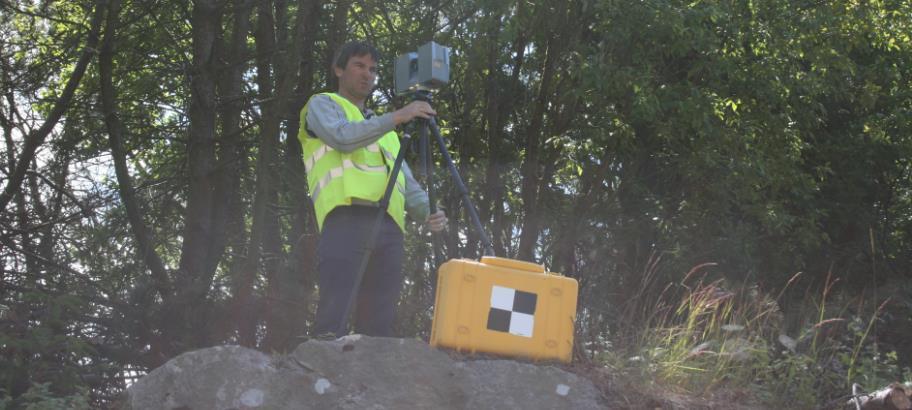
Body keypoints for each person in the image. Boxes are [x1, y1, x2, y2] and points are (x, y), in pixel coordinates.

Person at [298, 41, 447, 338]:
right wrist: (397, 117)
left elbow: (406, 183)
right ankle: (324, 375)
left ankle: (370, 379)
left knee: (379, 321)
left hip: (389, 229)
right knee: (334, 314)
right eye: (359, 65)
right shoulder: (323, 104)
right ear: (339, 69)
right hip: (345, 218)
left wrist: (429, 211)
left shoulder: (386, 132)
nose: (367, 74)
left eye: (373, 69)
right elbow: (341, 137)